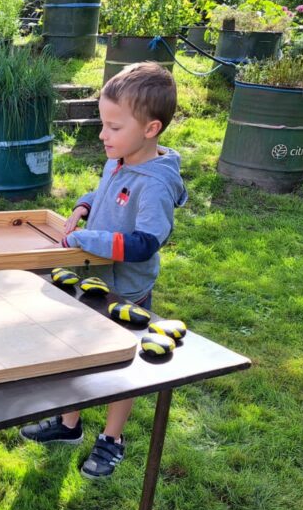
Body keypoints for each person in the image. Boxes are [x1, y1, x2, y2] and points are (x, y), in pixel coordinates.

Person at [18, 62, 187, 481]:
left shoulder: (156, 185)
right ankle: (69, 424)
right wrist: (83, 206)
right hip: (95, 279)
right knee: (76, 348)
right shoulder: (119, 159)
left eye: (113, 127)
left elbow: (145, 242)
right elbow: (105, 192)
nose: (101, 135)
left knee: (118, 362)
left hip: (127, 289)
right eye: (102, 124)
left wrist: (86, 240)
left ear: (151, 129)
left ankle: (111, 438)